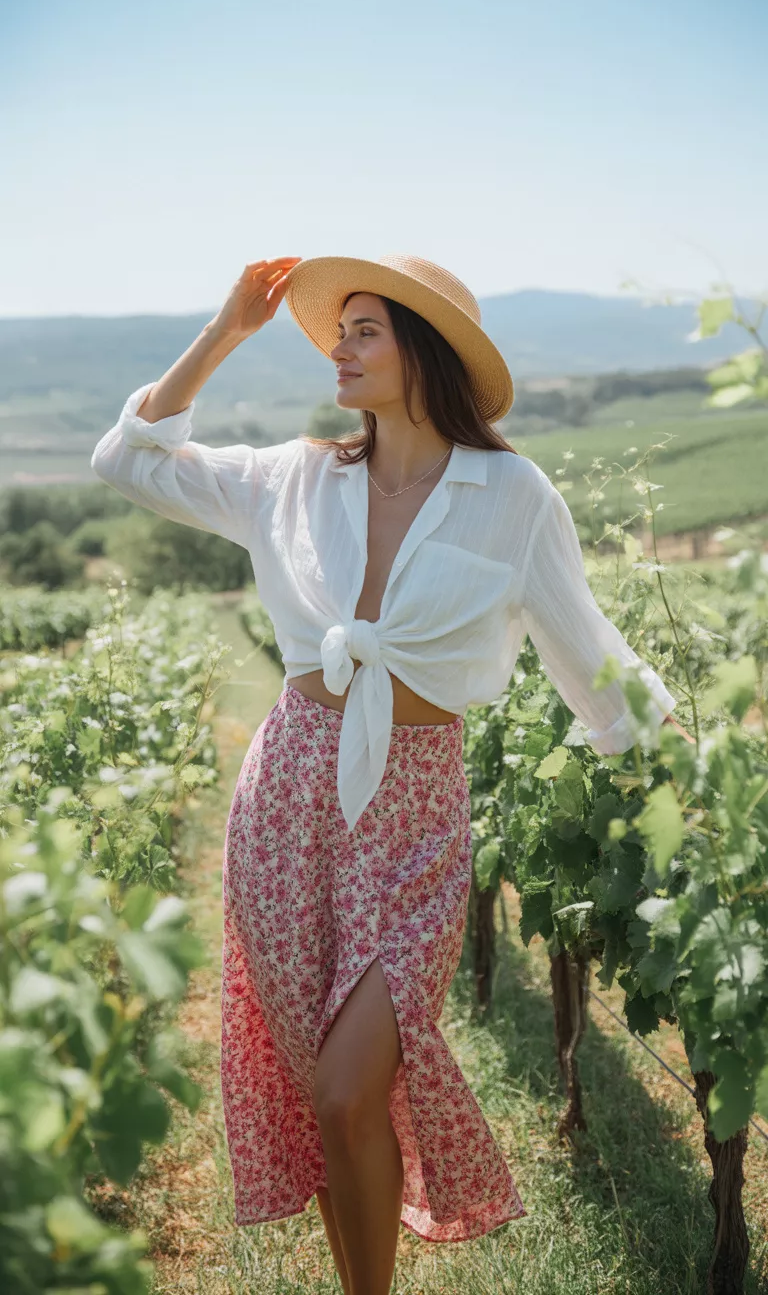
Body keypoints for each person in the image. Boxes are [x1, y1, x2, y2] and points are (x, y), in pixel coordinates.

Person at [90, 253, 677, 1295]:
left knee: (358, 1078)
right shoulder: (299, 476)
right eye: (338, 330)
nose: (340, 349)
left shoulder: (512, 495)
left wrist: (682, 778)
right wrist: (226, 330)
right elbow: (128, 463)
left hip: (413, 804)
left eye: (365, 329)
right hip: (287, 800)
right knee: (325, 1090)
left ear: (427, 350)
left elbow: (593, 658)